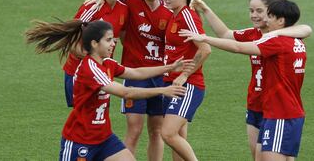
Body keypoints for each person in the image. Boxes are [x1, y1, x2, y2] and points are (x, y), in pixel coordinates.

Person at [25, 20, 195, 161]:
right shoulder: (89, 69)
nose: (114, 43)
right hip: (79, 140)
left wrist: (170, 67)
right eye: (108, 40)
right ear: (94, 43)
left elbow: (135, 72)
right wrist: (162, 90)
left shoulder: (107, 63)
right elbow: (125, 92)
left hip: (104, 139)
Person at [188, 0, 312, 160]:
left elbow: (238, 47)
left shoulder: (279, 40)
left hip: (280, 109)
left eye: (262, 12)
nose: (255, 15)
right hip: (262, 104)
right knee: (262, 156)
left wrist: (205, 38)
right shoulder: (261, 35)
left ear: (274, 14)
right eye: (251, 10)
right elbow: (225, 34)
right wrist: (206, 10)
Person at [85, 0, 172, 161]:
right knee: (134, 129)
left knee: (156, 131)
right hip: (134, 74)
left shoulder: (170, 11)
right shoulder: (131, 2)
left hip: (159, 76)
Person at [63, 0, 128, 107]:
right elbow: (70, 38)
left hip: (103, 72)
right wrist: (91, 59)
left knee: (99, 116)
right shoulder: (93, 6)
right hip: (79, 73)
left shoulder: (124, 8)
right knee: (83, 119)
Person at [161, 0, 211, 161]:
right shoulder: (174, 14)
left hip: (188, 85)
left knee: (168, 133)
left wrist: (184, 75)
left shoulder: (187, 16)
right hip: (172, 84)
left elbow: (205, 49)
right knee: (178, 138)